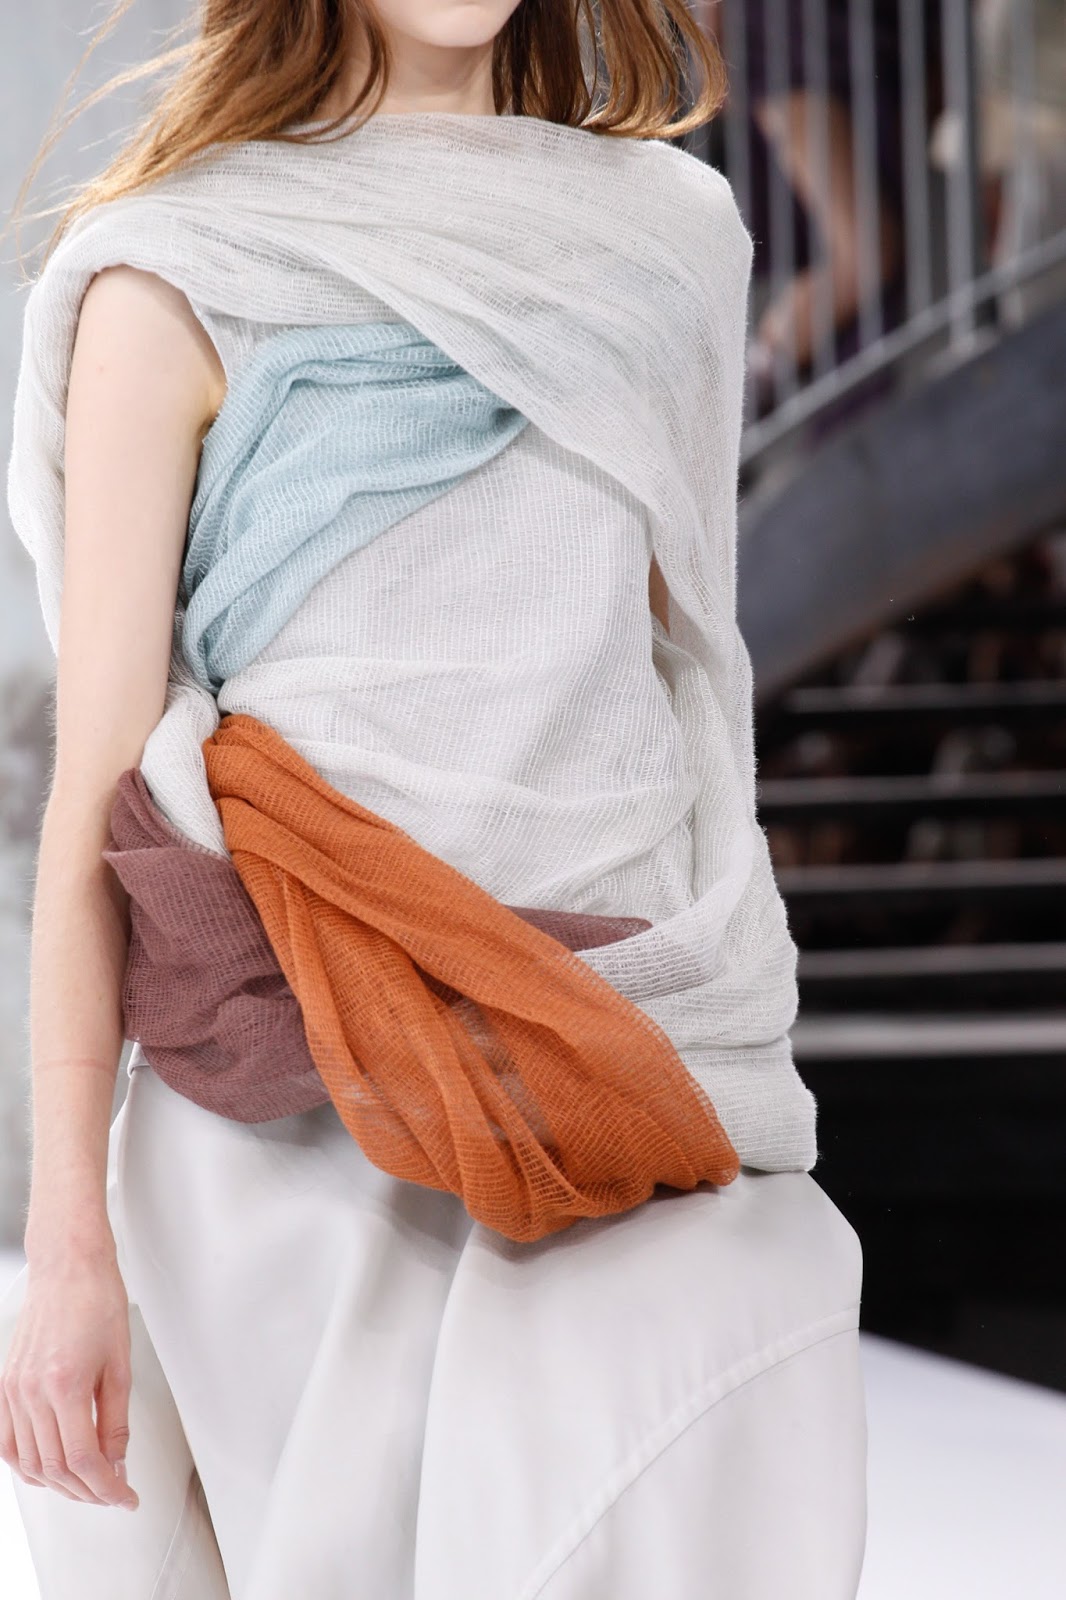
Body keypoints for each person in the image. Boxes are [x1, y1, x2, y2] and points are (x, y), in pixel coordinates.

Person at [0, 3, 868, 1596]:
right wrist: (67, 1251)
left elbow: (677, 666)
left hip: (624, 1033)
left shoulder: (664, 240)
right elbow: (99, 791)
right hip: (292, 1091)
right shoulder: (176, 267)